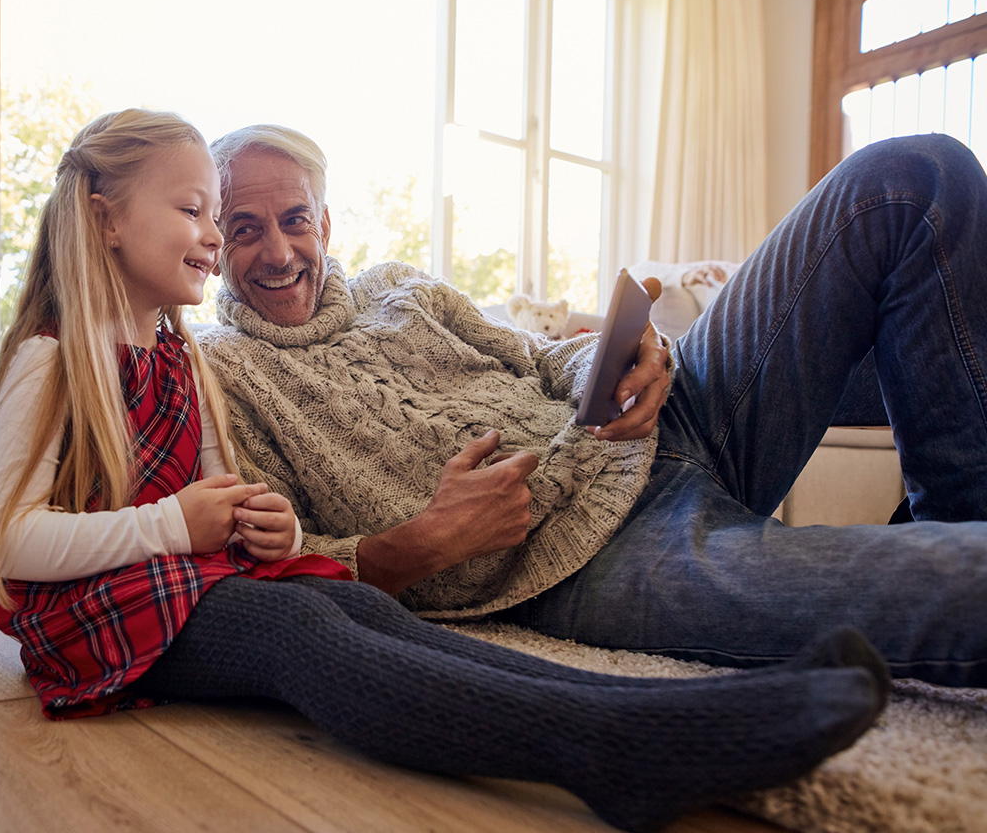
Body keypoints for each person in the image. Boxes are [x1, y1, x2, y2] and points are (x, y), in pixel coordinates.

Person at [0, 108, 889, 833]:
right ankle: (605, 745)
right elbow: (3, 544)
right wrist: (178, 529)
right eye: (204, 214)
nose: (222, 239)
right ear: (106, 220)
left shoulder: (184, 359)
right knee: (303, 632)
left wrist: (268, 529)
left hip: (188, 572)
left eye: (239, 215)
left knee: (349, 604)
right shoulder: (61, 356)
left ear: (325, 221)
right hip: (104, 605)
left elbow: (224, 496)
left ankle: (669, 716)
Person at [199, 123, 987, 688]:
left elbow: (543, 358)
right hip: (589, 561)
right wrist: (421, 543)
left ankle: (962, 501)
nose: (277, 250)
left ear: (325, 224)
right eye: (244, 229)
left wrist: (627, 358)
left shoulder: (400, 287)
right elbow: (270, 578)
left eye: (294, 219)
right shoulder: (219, 376)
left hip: (674, 421)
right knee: (968, 579)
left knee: (915, 176)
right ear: (213, 243)